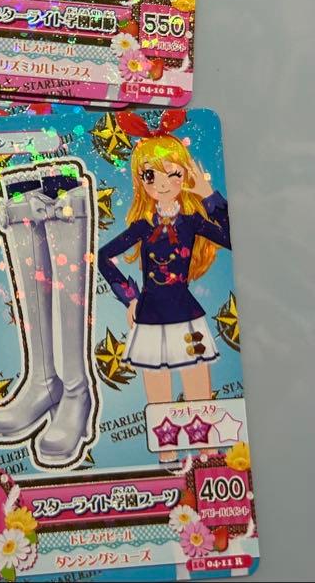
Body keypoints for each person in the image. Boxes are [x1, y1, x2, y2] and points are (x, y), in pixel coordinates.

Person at [97, 111, 230, 462]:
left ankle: (208, 455)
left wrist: (209, 195)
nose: (163, 183)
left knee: (199, 392)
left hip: (186, 314)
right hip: (151, 315)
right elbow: (103, 256)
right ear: (141, 180)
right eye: (151, 175)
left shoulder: (191, 221)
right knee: (159, 397)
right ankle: (167, 459)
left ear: (184, 175)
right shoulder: (143, 225)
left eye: (173, 173)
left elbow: (233, 239)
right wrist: (129, 298)